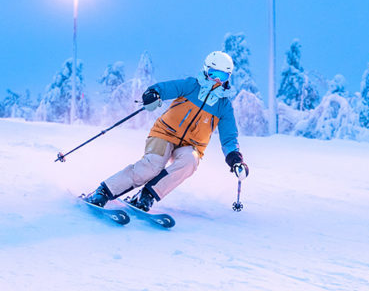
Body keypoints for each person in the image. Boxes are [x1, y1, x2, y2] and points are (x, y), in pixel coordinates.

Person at [86, 51, 250, 211]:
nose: (216, 80)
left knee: (190, 162)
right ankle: (104, 191)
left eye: (222, 77)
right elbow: (164, 88)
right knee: (152, 166)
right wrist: (153, 94)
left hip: (191, 146)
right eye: (213, 73)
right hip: (164, 134)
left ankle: (146, 195)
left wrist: (235, 159)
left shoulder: (224, 106)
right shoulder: (191, 85)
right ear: (206, 70)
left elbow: (229, 138)